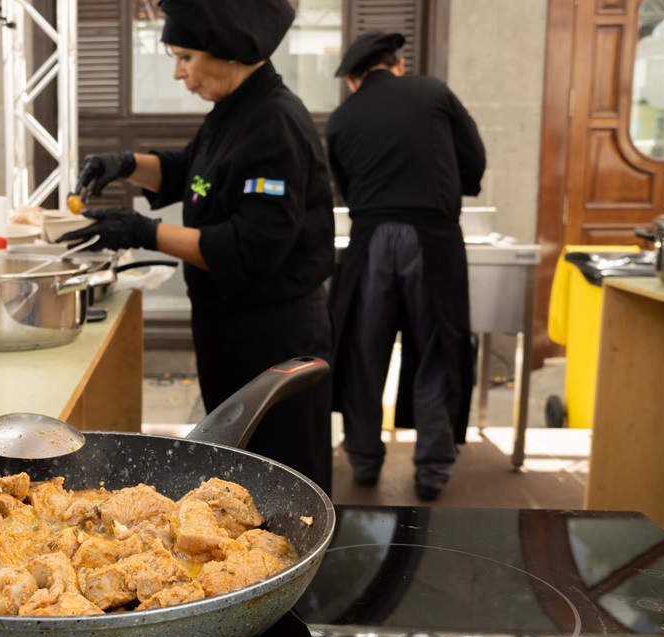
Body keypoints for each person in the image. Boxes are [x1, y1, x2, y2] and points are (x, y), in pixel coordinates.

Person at [60, 0, 335, 495]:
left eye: (185, 57)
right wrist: (124, 163)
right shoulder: (234, 110)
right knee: (234, 470)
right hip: (228, 328)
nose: (178, 73)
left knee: (280, 476)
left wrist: (143, 232)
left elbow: (250, 247)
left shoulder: (275, 122)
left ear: (227, 50)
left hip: (271, 336)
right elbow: (192, 171)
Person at [325, 32, 487, 501]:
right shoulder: (434, 92)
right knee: (437, 346)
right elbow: (473, 157)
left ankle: (364, 459)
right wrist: (455, 186)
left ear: (354, 79)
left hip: (371, 237)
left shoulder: (341, 118)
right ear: (398, 65)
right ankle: (433, 469)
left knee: (363, 348)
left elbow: (346, 188)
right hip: (433, 238)